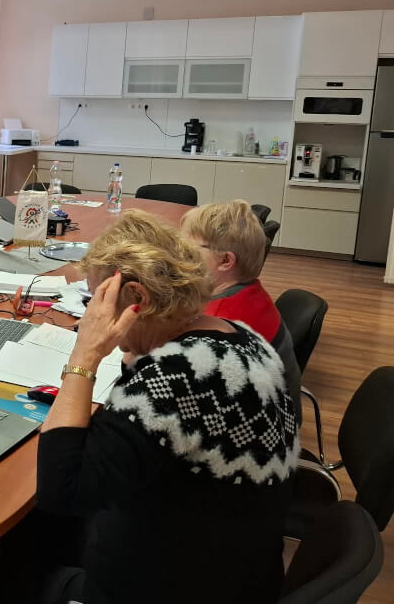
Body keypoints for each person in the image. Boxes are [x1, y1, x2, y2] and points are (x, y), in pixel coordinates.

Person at [35, 210, 297, 603]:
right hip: (233, 562)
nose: (93, 315)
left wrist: (84, 355)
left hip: (174, 585)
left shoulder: (174, 377)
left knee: (6, 565)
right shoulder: (239, 336)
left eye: (98, 301)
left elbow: (61, 491)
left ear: (138, 298)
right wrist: (138, 353)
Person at [180, 199, 301, 424]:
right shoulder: (247, 290)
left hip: (259, 430)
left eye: (188, 249)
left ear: (226, 260)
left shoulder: (223, 322)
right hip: (269, 417)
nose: (180, 255)